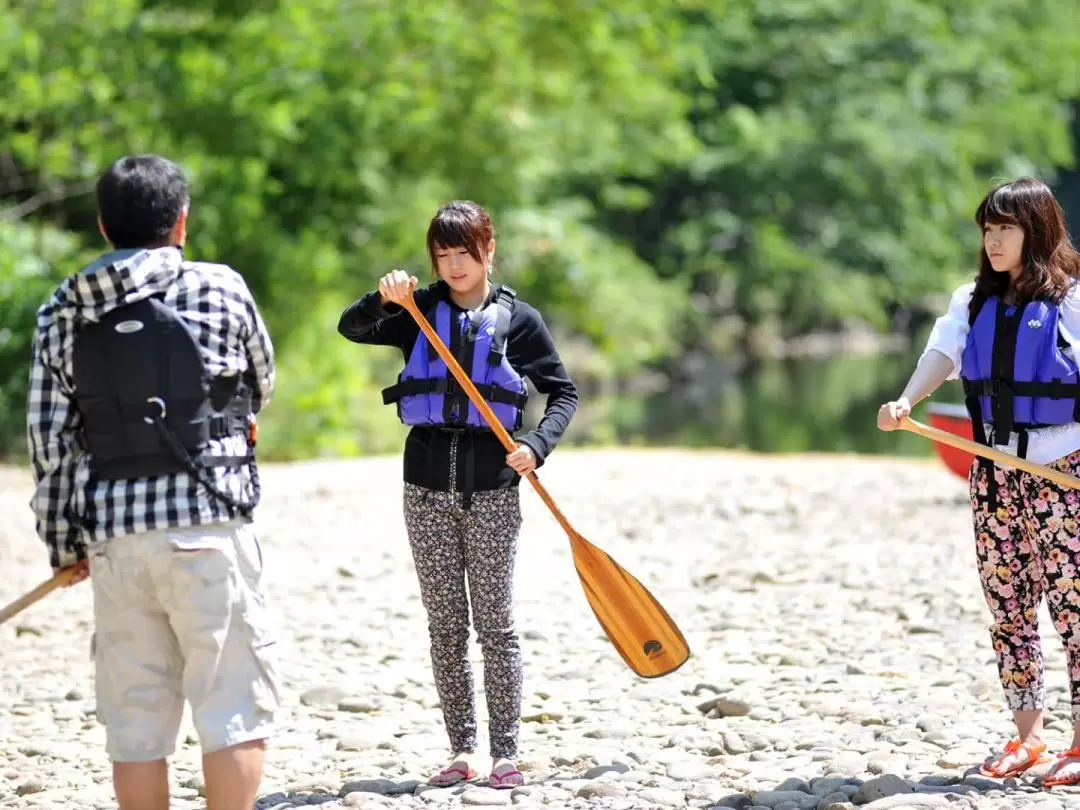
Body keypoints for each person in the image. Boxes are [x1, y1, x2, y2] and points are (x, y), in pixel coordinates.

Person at [26, 154, 281, 810]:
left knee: (136, 724)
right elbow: (261, 384)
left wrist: (65, 544)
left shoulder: (62, 309)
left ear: (104, 227)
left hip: (116, 536)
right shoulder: (221, 288)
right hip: (210, 525)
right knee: (231, 704)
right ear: (182, 223)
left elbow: (50, 444)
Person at [337, 200, 579, 788]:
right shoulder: (416, 311)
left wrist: (537, 445)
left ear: (488, 252)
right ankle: (462, 749)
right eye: (442, 257)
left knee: (495, 623)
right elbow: (351, 327)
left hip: (494, 486)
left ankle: (507, 753)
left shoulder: (520, 321)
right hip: (424, 485)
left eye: (463, 255)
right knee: (445, 624)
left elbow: (563, 393)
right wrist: (381, 297)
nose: (453, 267)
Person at [877, 176, 1080, 788]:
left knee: (1074, 607)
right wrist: (907, 400)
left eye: (1006, 229)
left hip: (1061, 472)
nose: (993, 242)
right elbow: (941, 354)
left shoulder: (1072, 299)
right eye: (988, 230)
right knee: (1008, 606)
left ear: (1036, 232)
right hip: (993, 473)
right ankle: (1029, 739)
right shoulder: (971, 298)